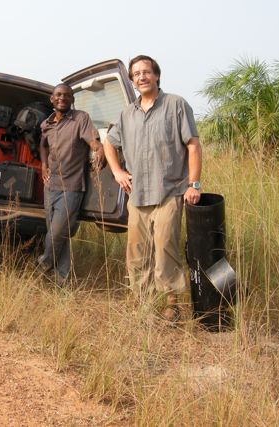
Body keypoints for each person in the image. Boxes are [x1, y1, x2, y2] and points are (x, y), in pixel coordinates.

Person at [103, 55, 202, 321]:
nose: (141, 77)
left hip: (170, 192)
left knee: (166, 249)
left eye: (146, 72)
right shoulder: (126, 114)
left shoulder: (176, 105)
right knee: (136, 255)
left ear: (156, 75)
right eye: (136, 74)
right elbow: (109, 144)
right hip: (137, 196)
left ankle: (172, 305)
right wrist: (117, 171)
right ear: (132, 81)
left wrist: (194, 185)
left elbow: (192, 145)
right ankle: (142, 303)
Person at [38, 83, 104, 284]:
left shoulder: (80, 119)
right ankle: (62, 280)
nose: (62, 98)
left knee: (56, 233)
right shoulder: (46, 124)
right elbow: (42, 145)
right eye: (58, 95)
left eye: (67, 95)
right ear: (52, 99)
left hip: (72, 187)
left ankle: (43, 266)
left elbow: (94, 141)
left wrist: (99, 149)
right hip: (50, 186)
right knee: (60, 235)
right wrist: (43, 165)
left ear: (72, 99)